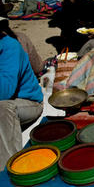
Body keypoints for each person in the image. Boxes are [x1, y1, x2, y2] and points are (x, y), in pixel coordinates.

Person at [0, 27, 43, 171]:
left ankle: (8, 170)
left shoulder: (9, 46)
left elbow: (5, 91)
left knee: (3, 108)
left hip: (27, 103)